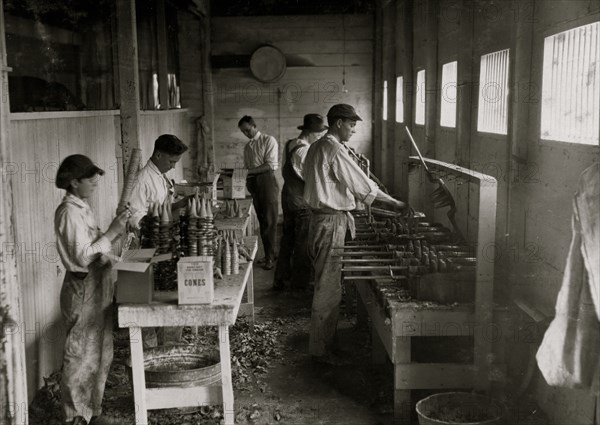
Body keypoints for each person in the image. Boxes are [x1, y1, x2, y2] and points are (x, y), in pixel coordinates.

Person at [303, 104, 407, 365]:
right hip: (331, 221)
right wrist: (396, 203)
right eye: (350, 125)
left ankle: (324, 344)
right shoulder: (334, 149)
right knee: (328, 288)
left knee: (327, 284)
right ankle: (321, 352)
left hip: (320, 220)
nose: (353, 129)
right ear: (338, 123)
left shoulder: (316, 146)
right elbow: (363, 188)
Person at [54, 155, 130, 425]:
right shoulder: (68, 212)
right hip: (82, 286)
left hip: (98, 283)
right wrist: (110, 233)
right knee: (80, 355)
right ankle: (75, 417)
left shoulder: (83, 207)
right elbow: (84, 256)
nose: (95, 185)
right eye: (90, 181)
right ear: (74, 182)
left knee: (101, 351)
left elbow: (98, 246)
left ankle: (93, 411)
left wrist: (114, 244)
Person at [126, 134, 189, 348]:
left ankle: (167, 344)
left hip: (162, 244)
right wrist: (160, 228)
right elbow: (135, 217)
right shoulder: (143, 179)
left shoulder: (161, 176)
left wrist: (180, 205)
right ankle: (149, 349)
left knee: (166, 295)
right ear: (159, 154)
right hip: (145, 247)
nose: (172, 167)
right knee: (148, 300)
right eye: (171, 162)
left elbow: (161, 210)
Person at [273, 114, 327, 292]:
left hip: (288, 196)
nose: (319, 137)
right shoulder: (304, 150)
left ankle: (281, 278)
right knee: (303, 242)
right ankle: (300, 284)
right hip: (300, 200)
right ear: (310, 133)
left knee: (287, 239)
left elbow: (284, 170)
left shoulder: (290, 144)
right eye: (318, 134)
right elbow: (310, 178)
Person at [239, 115, 280, 270]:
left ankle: (270, 257)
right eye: (243, 132)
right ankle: (270, 253)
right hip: (254, 183)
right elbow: (248, 168)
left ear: (254, 125)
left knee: (270, 221)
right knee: (263, 221)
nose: (246, 134)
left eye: (248, 130)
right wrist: (243, 175)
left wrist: (247, 172)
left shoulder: (268, 140)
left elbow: (270, 165)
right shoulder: (247, 147)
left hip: (267, 181)